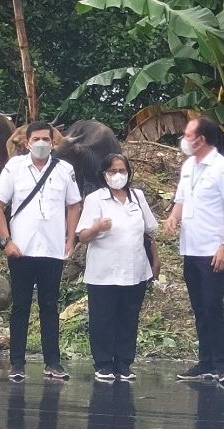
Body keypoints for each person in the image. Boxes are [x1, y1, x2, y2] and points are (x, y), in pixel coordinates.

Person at [0, 121, 82, 382]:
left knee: (50, 306)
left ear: (54, 142)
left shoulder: (64, 170)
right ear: (27, 142)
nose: (42, 143)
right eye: (37, 139)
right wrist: (6, 240)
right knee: (20, 306)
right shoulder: (15, 167)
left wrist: (70, 238)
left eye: (46, 139)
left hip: (53, 249)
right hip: (21, 249)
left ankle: (53, 362)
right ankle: (17, 363)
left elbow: (74, 204)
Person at [163, 117, 224, 383]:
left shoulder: (223, 168)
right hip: (191, 248)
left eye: (188, 135)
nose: (184, 140)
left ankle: (221, 364)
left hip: (213, 248)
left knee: (212, 306)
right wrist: (174, 217)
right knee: (199, 307)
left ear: (202, 139)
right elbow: (181, 199)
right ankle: (205, 361)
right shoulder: (188, 166)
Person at [77, 153, 159, 382]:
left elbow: (149, 231)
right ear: (104, 174)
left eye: (122, 171)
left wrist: (155, 260)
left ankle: (123, 363)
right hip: (104, 271)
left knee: (128, 317)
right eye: (112, 171)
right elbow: (82, 236)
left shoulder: (137, 197)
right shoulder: (96, 199)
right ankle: (103, 364)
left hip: (135, 268)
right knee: (103, 318)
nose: (117, 175)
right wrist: (97, 227)